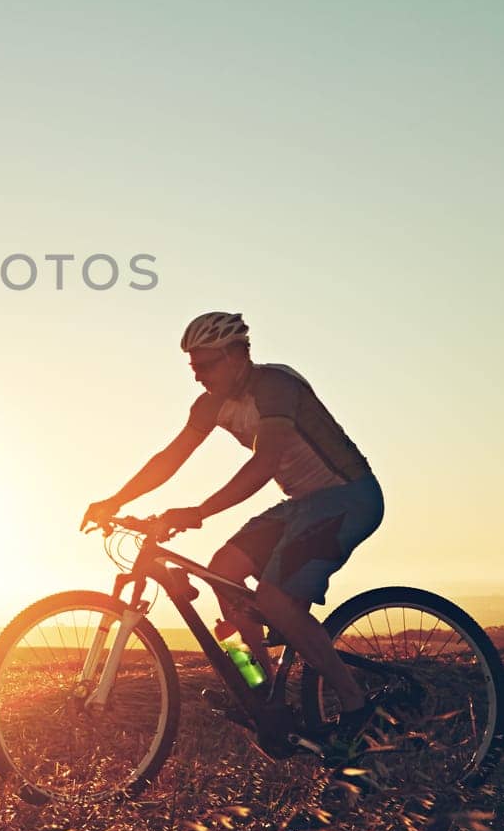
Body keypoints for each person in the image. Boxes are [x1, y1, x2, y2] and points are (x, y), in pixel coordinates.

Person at [82, 311, 386, 758]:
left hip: (348, 497)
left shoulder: (274, 386)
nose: (199, 377)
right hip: (301, 505)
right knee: (222, 572)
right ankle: (264, 694)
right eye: (193, 368)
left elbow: (265, 464)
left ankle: (358, 706)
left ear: (238, 354)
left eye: (207, 365)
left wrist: (199, 511)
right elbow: (169, 459)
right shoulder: (209, 405)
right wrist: (115, 500)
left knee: (275, 600)